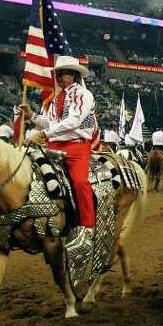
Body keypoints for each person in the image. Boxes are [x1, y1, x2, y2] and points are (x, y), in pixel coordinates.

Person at [19, 55, 97, 273]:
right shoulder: (56, 98)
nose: (59, 77)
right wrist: (33, 116)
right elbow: (52, 122)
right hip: (54, 144)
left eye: (63, 73)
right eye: (58, 73)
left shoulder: (83, 94)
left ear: (73, 75)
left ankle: (88, 227)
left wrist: (42, 132)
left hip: (76, 146)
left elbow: (74, 121)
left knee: (80, 182)